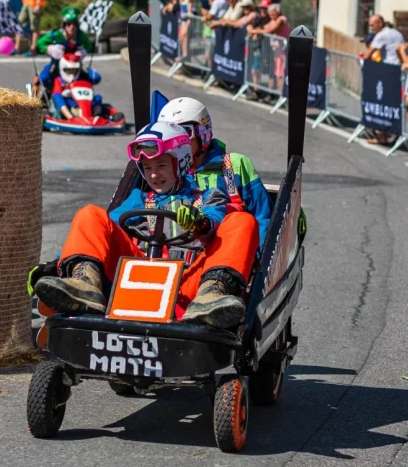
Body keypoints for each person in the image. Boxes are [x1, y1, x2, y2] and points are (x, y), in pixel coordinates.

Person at [33, 121, 259, 329]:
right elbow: (101, 232)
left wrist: (199, 223)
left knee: (242, 220)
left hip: (188, 289)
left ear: (181, 163)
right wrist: (57, 263)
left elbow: (216, 218)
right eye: (148, 167)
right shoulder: (138, 199)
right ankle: (83, 282)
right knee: (90, 213)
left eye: (161, 165)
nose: (154, 174)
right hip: (134, 282)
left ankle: (213, 292)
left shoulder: (208, 197)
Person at [159, 97, 272, 245]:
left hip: (230, 252)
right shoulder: (162, 171)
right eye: (169, 136)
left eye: (185, 133)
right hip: (178, 254)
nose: (176, 143)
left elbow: (263, 216)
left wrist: (259, 260)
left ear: (202, 132)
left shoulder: (235, 164)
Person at [35, 6, 92, 92]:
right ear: (64, 25)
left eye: (75, 24)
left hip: (75, 67)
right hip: (57, 65)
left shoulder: (81, 35)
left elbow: (88, 45)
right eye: (69, 24)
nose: (72, 27)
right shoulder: (56, 34)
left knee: (92, 78)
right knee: (44, 78)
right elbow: (39, 43)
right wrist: (49, 49)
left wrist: (83, 51)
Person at [50, 53, 102, 120]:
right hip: (68, 104)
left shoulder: (81, 78)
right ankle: (70, 117)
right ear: (63, 69)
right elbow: (56, 94)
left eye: (74, 69)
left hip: (82, 102)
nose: (72, 71)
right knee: (57, 96)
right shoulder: (59, 80)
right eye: (69, 69)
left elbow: (96, 77)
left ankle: (96, 117)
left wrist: (85, 68)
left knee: (98, 97)